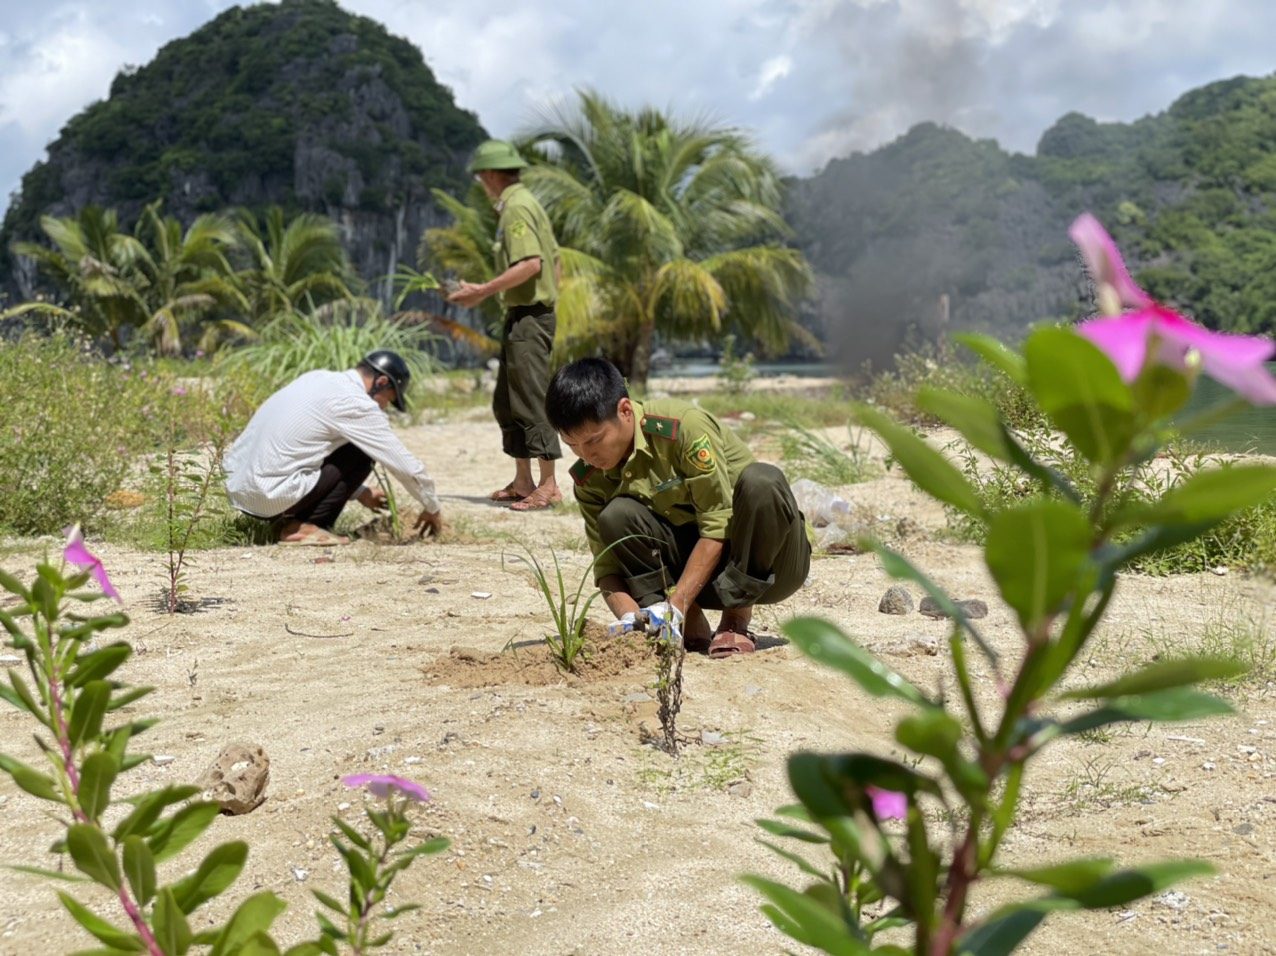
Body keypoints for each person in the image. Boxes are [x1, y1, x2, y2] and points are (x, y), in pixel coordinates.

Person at [545, 358, 811, 658]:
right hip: (698, 580)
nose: (586, 454)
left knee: (763, 480)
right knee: (616, 515)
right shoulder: (589, 481)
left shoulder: (682, 429)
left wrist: (676, 605)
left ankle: (735, 620)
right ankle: (688, 624)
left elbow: (716, 524)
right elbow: (607, 568)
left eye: (594, 439)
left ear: (625, 410)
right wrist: (632, 620)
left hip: (770, 565)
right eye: (572, 445)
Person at [446, 139, 563, 512]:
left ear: (492, 175)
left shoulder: (516, 208)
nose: (482, 184)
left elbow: (532, 264)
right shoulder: (523, 204)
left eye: (482, 177)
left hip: (530, 315)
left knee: (529, 397)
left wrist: (482, 291)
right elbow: (554, 259)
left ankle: (548, 485)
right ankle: (523, 480)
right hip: (524, 313)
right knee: (507, 400)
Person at [224, 350, 444, 545]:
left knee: (349, 443)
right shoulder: (358, 403)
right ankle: (304, 527)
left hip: (238, 489)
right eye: (387, 400)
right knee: (362, 451)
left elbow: (303, 447)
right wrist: (432, 508)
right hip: (269, 497)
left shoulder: (316, 377)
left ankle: (288, 520)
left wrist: (360, 492)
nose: (384, 408)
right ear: (381, 381)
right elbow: (405, 466)